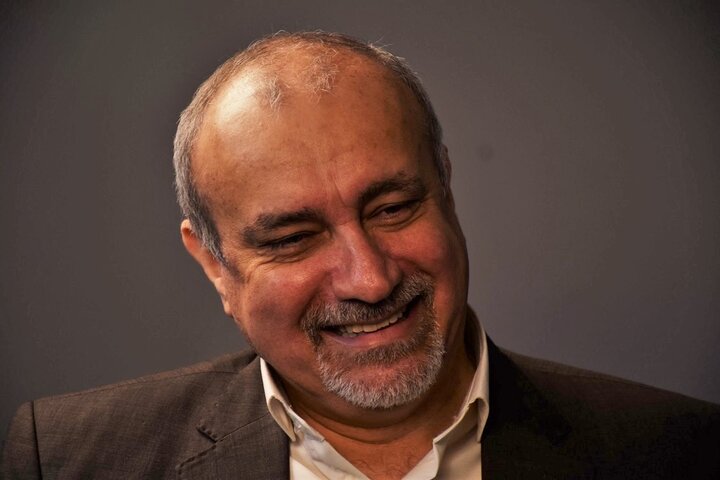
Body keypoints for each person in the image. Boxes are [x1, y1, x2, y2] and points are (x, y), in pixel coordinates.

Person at [2, 31, 718, 480]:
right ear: (215, 265)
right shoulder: (65, 460)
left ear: (446, 187)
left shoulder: (679, 452)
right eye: (292, 238)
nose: (370, 279)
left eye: (393, 208)